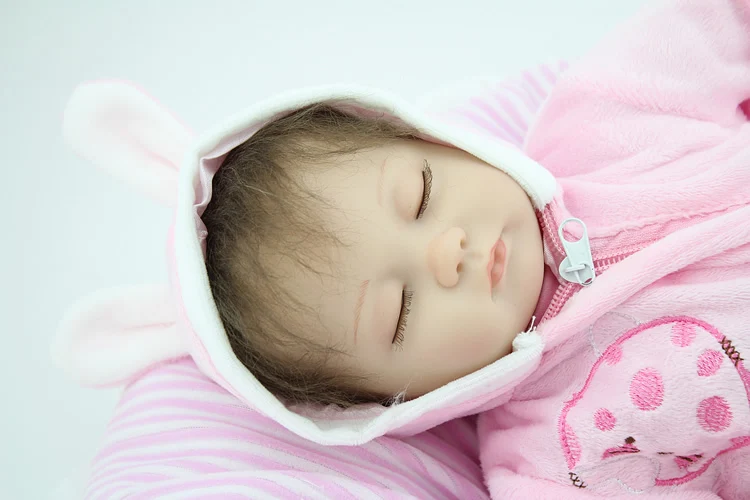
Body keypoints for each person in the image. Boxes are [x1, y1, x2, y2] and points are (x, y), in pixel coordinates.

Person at [56, 0, 750, 497]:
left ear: (435, 141)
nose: (445, 255)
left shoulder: (603, 115)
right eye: (400, 311)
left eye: (420, 196)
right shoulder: (549, 456)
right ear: (396, 400)